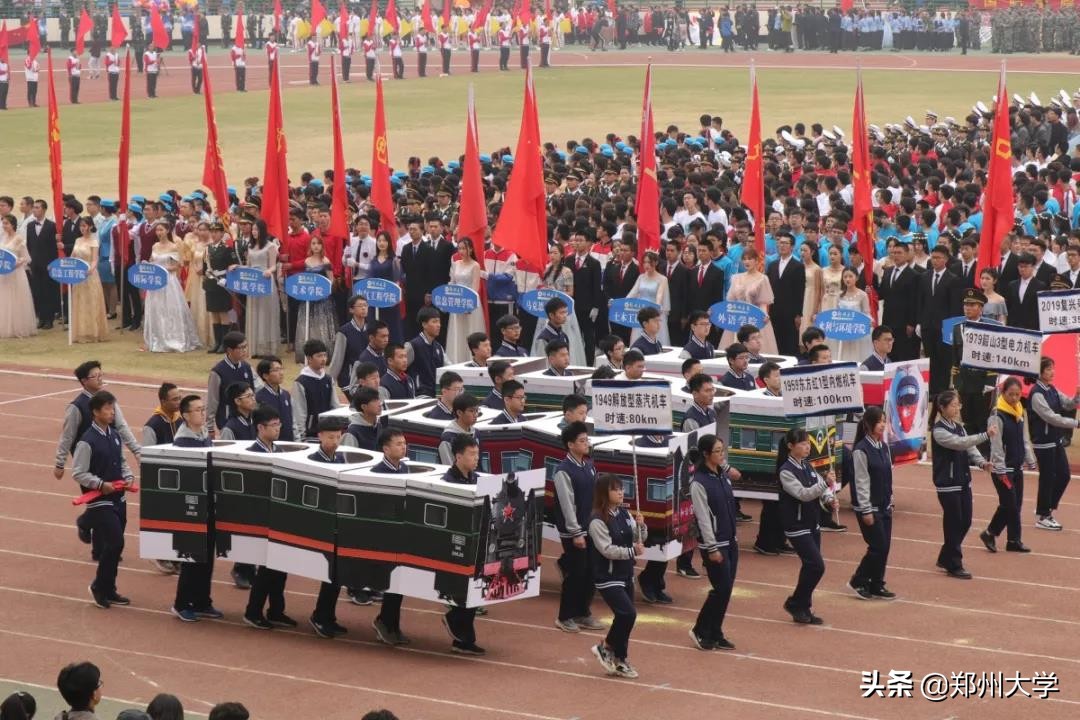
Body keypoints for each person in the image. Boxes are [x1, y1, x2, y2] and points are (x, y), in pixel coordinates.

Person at [74, 391, 136, 609]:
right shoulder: (87, 441)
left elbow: (121, 461)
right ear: (96, 412)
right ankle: (99, 587)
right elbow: (79, 473)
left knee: (114, 547)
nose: (112, 412)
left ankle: (109, 588)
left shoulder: (115, 434)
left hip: (119, 497)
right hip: (100, 500)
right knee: (116, 542)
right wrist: (100, 484)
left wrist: (128, 476)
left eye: (113, 408)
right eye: (108, 409)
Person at [243, 403, 300, 630]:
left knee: (280, 567)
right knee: (266, 570)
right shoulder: (254, 454)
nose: (278, 428)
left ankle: (276, 610)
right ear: (260, 427)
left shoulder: (277, 450)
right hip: (263, 520)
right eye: (273, 425)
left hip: (279, 517)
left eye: (279, 424)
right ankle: (253, 611)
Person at [170, 394, 226, 621]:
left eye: (203, 409)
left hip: (208, 504)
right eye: (197, 410)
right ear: (185, 415)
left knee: (207, 557)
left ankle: (202, 600)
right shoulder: (184, 442)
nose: (202, 414)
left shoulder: (203, 434)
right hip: (192, 507)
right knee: (192, 558)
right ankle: (181, 603)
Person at [588, 472, 647, 679]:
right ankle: (605, 647)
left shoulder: (624, 514)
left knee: (626, 618)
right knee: (627, 614)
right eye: (615, 489)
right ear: (604, 493)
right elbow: (606, 549)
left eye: (621, 488)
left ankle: (620, 659)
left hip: (626, 573)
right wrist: (631, 551)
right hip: (608, 576)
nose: (621, 492)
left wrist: (641, 526)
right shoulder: (597, 520)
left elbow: (639, 539)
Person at [930, 389, 993, 580]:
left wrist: (982, 462)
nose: (957, 408)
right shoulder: (939, 431)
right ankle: (954, 563)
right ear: (942, 408)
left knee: (965, 521)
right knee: (953, 523)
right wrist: (985, 435)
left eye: (959, 405)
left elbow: (970, 448)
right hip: (948, 484)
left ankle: (945, 556)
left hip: (963, 480)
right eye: (954, 405)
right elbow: (960, 443)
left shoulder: (959, 427)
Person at [551, 421, 606, 633]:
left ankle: (583, 612)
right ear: (570, 444)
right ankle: (565, 616)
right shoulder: (563, 471)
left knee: (591, 571)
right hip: (574, 532)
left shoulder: (589, 466)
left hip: (591, 527)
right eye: (582, 441)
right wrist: (576, 532)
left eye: (587, 440)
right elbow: (567, 504)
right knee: (576, 573)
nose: (587, 444)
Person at [777, 428, 836, 624]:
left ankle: (803, 607)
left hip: (812, 523)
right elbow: (803, 494)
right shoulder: (786, 471)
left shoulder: (807, 466)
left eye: (808, 443)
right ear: (790, 446)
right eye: (803, 444)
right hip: (796, 525)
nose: (807, 447)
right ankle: (795, 602)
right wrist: (824, 484)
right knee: (816, 565)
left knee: (810, 566)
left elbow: (820, 489)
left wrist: (829, 499)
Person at [689, 434, 738, 651]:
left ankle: (716, 632)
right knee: (721, 588)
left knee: (726, 589)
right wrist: (711, 547)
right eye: (717, 451)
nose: (721, 454)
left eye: (722, 450)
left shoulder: (722, 476)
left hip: (730, 540)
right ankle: (700, 629)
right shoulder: (699, 482)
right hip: (715, 544)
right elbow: (703, 518)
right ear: (706, 454)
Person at [441, 435, 486, 654]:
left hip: (476, 542)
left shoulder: (477, 478)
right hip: (456, 543)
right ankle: (461, 634)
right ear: (458, 456)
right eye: (472, 454)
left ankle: (463, 637)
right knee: (462, 590)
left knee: (474, 589)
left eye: (477, 454)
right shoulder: (449, 480)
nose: (476, 458)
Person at [979, 376, 1034, 555]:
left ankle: (1013, 540)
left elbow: (1024, 437)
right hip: (1003, 469)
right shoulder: (997, 415)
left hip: (1017, 467)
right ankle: (990, 533)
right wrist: (1000, 468)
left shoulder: (1019, 411)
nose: (1015, 398)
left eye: (1018, 394)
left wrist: (1030, 458)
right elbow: (996, 445)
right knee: (1009, 504)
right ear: (1003, 393)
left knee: (1016, 504)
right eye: (1011, 394)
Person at [846, 406, 897, 600]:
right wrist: (866, 510)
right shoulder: (861, 450)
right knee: (878, 546)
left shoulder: (883, 447)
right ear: (868, 424)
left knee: (885, 547)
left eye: (884, 421)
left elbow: (887, 476)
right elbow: (861, 481)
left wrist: (890, 498)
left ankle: (877, 583)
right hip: (870, 507)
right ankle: (858, 580)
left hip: (884, 505)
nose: (882, 425)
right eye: (879, 421)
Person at [367, 428, 412, 646]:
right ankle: (384, 622)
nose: (403, 447)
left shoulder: (405, 468)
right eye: (398, 444)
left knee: (401, 582)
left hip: (401, 534)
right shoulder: (378, 473)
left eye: (404, 443)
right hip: (384, 536)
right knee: (393, 582)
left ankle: (392, 624)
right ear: (385, 449)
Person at [308, 416, 350, 638]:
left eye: (338, 437)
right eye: (330, 437)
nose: (335, 441)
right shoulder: (315, 461)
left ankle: (328, 616)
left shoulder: (340, 458)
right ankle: (319, 616)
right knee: (330, 574)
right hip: (323, 524)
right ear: (320, 436)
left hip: (338, 523)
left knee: (338, 574)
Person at [1029, 356, 1080, 531]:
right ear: (1040, 372)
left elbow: (1069, 405)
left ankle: (1045, 507)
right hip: (1043, 443)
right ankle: (1044, 515)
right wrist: (1076, 423)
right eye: (1048, 369)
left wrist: (1077, 396)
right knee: (1047, 478)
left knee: (1064, 475)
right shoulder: (1037, 394)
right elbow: (1051, 417)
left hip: (1055, 440)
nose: (1052, 372)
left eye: (1053, 368)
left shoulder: (1052, 389)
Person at [144, 220, 201, 352]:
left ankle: (173, 337)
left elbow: (178, 265)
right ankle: (157, 338)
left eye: (161, 230)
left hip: (168, 280)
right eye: (157, 230)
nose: (159, 233)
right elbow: (152, 260)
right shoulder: (155, 246)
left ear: (167, 231)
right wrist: (148, 265)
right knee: (156, 308)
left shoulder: (174, 246)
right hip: (155, 281)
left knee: (170, 308)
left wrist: (162, 268)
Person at [719, 248, 777, 353]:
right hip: (737, 318)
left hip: (754, 317)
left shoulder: (762, 278)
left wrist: (764, 315)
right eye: (744, 259)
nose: (747, 261)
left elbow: (763, 303)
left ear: (756, 260)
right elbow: (731, 301)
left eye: (750, 259)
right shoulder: (736, 278)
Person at [295, 236, 338, 364]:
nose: (316, 246)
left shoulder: (325, 261)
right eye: (313, 243)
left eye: (318, 243)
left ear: (322, 246)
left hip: (322, 299)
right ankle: (308, 354)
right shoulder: (307, 261)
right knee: (309, 324)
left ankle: (323, 354)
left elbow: (331, 280)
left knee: (322, 326)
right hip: (308, 298)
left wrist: (324, 290)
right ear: (310, 246)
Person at [292, 338, 343, 441]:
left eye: (325, 355)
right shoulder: (301, 382)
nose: (323, 359)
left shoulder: (328, 379)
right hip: (310, 434)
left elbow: (335, 405)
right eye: (319, 356)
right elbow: (299, 413)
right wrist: (301, 437)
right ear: (309, 358)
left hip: (328, 431)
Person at [446, 238, 487, 363]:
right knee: (458, 331)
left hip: (470, 304)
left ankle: (472, 360)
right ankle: (456, 359)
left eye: (464, 248)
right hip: (457, 304)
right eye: (459, 248)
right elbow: (452, 283)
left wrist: (469, 305)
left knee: (470, 331)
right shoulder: (456, 264)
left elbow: (475, 288)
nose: (461, 251)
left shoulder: (475, 265)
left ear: (471, 249)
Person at [565, 229, 604, 362]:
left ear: (588, 243)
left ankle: (589, 363)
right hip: (571, 306)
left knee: (588, 338)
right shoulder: (568, 260)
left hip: (587, 307)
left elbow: (597, 287)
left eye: (580, 240)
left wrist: (596, 307)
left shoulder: (594, 263)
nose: (577, 243)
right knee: (572, 336)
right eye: (575, 240)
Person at [207, 332, 255, 437]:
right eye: (241, 348)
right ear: (229, 350)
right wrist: (209, 427)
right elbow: (212, 400)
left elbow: (256, 389)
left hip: (247, 420)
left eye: (246, 346)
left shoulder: (247, 367)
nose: (245, 350)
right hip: (226, 421)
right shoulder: (218, 372)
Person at [202, 221, 240, 353]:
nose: (213, 234)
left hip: (222, 283)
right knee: (214, 313)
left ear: (222, 233)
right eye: (212, 232)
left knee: (223, 313)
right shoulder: (207, 249)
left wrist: (227, 279)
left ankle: (225, 343)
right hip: (211, 283)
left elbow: (234, 265)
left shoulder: (227, 249)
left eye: (216, 232)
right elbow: (205, 268)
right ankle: (217, 342)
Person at [70, 217, 109, 344]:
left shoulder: (94, 241)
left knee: (91, 301)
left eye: (84, 226)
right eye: (81, 226)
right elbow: (72, 257)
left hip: (90, 275)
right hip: (78, 276)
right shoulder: (77, 240)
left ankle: (94, 332)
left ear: (90, 227)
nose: (82, 228)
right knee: (80, 302)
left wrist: (91, 269)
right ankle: (80, 331)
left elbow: (95, 259)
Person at [243, 220, 278, 357]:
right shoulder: (250, 246)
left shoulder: (271, 246)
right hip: (253, 284)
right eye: (253, 229)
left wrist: (269, 271)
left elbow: (274, 265)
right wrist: (236, 267)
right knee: (254, 312)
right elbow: (248, 265)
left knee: (265, 313)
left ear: (262, 230)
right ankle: (254, 348)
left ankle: (266, 348)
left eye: (256, 229)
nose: (254, 232)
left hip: (265, 281)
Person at [767, 232, 805, 356]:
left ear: (792, 246)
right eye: (780, 243)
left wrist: (798, 314)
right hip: (774, 310)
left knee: (789, 343)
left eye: (785, 243)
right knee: (775, 341)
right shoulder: (772, 265)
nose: (782, 245)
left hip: (790, 312)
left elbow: (800, 291)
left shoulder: (798, 266)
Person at [0, 213, 37, 337]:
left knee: (16, 299)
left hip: (16, 273)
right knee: (4, 298)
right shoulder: (3, 238)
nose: (4, 226)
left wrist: (16, 263)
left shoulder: (19, 239)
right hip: (4, 273)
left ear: (13, 225)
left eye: (6, 223)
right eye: (3, 223)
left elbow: (26, 258)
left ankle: (18, 327)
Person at [26, 199, 59, 330]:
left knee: (48, 292)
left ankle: (49, 319)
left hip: (48, 264)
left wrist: (52, 263)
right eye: (34, 207)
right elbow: (29, 245)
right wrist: (30, 261)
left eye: (37, 207)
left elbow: (54, 248)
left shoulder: (52, 226)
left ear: (44, 209)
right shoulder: (30, 226)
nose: (34, 210)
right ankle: (41, 318)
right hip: (35, 264)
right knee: (37, 292)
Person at [626, 251, 670, 346]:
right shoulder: (641, 277)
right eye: (645, 262)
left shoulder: (662, 279)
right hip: (641, 311)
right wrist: (619, 302)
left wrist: (656, 307)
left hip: (654, 312)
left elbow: (659, 295)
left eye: (649, 262)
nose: (646, 265)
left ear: (656, 263)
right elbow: (632, 293)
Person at [329, 294, 371, 392]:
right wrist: (330, 382)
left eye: (365, 305)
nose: (363, 308)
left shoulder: (371, 330)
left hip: (368, 378)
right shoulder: (344, 332)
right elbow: (337, 359)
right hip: (349, 379)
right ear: (351, 310)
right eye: (360, 306)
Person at [531, 294, 586, 366]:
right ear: (551, 315)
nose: (565, 315)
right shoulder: (543, 338)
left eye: (566, 312)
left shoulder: (564, 336)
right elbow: (542, 365)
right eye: (561, 313)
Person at [833, 268, 872, 363]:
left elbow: (867, 314)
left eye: (850, 276)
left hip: (857, 332)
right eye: (845, 277)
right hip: (843, 332)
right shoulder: (839, 295)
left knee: (857, 356)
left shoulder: (862, 295)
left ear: (857, 278)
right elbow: (835, 314)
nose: (848, 279)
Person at [407, 306, 446, 397]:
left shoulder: (438, 347)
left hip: (436, 393)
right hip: (419, 395)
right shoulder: (413, 345)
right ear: (424, 324)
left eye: (439, 322)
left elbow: (448, 367)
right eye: (434, 322)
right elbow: (400, 367)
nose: (438, 325)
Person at [255, 356, 295, 441]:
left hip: (289, 441)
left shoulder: (286, 394)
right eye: (276, 370)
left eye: (281, 369)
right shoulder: (259, 398)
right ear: (265, 375)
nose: (281, 373)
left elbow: (292, 420)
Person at [438, 394, 481, 465]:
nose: (476, 415)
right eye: (471, 411)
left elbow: (479, 464)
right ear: (459, 413)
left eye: (476, 411)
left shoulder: (476, 433)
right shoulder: (448, 438)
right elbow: (449, 467)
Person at [142, 382, 182, 447]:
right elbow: (147, 452)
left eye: (180, 398)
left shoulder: (181, 421)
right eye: (175, 399)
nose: (179, 402)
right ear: (163, 402)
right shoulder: (151, 426)